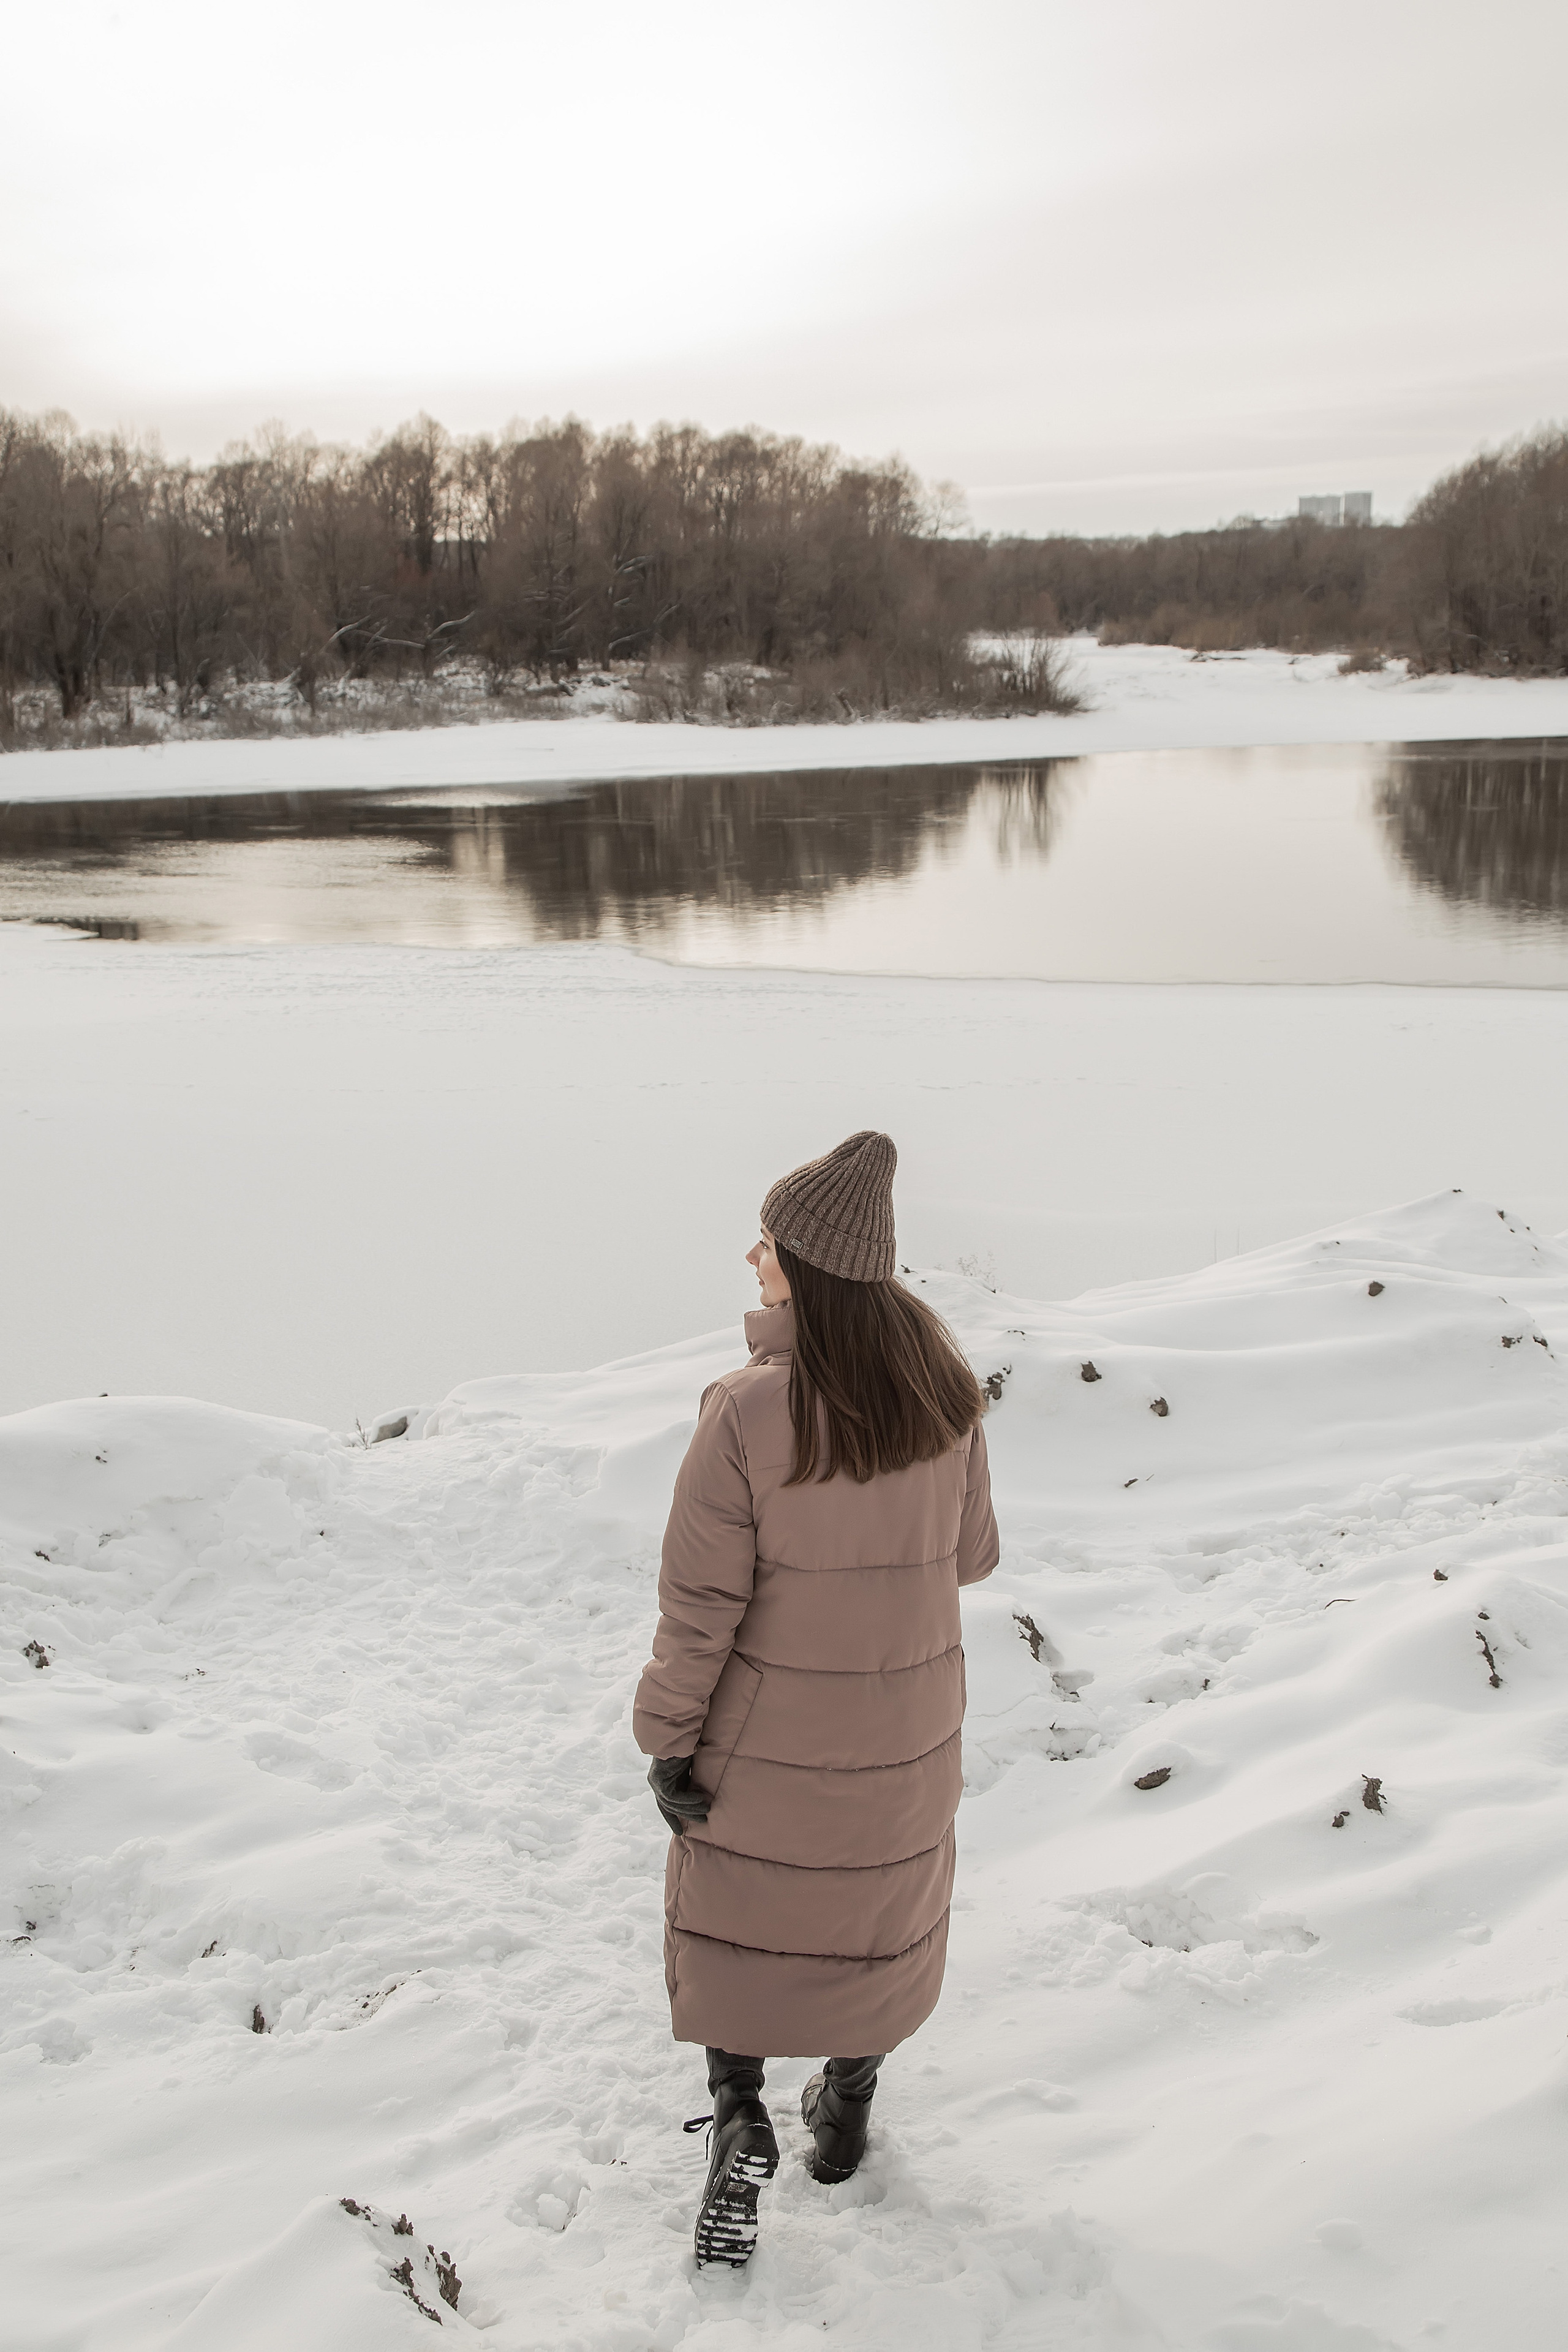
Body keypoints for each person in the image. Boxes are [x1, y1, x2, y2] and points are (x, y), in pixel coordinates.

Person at [633, 1130, 999, 2267]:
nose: (753, 1257)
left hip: (768, 1738)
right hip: (909, 1734)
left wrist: (667, 1741)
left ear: (808, 1266)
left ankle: (740, 2118)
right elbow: (972, 1558)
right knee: (874, 1917)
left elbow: (700, 1608)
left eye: (768, 1242)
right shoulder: (942, 1397)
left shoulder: (745, 1411)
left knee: (741, 1912)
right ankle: (844, 2117)